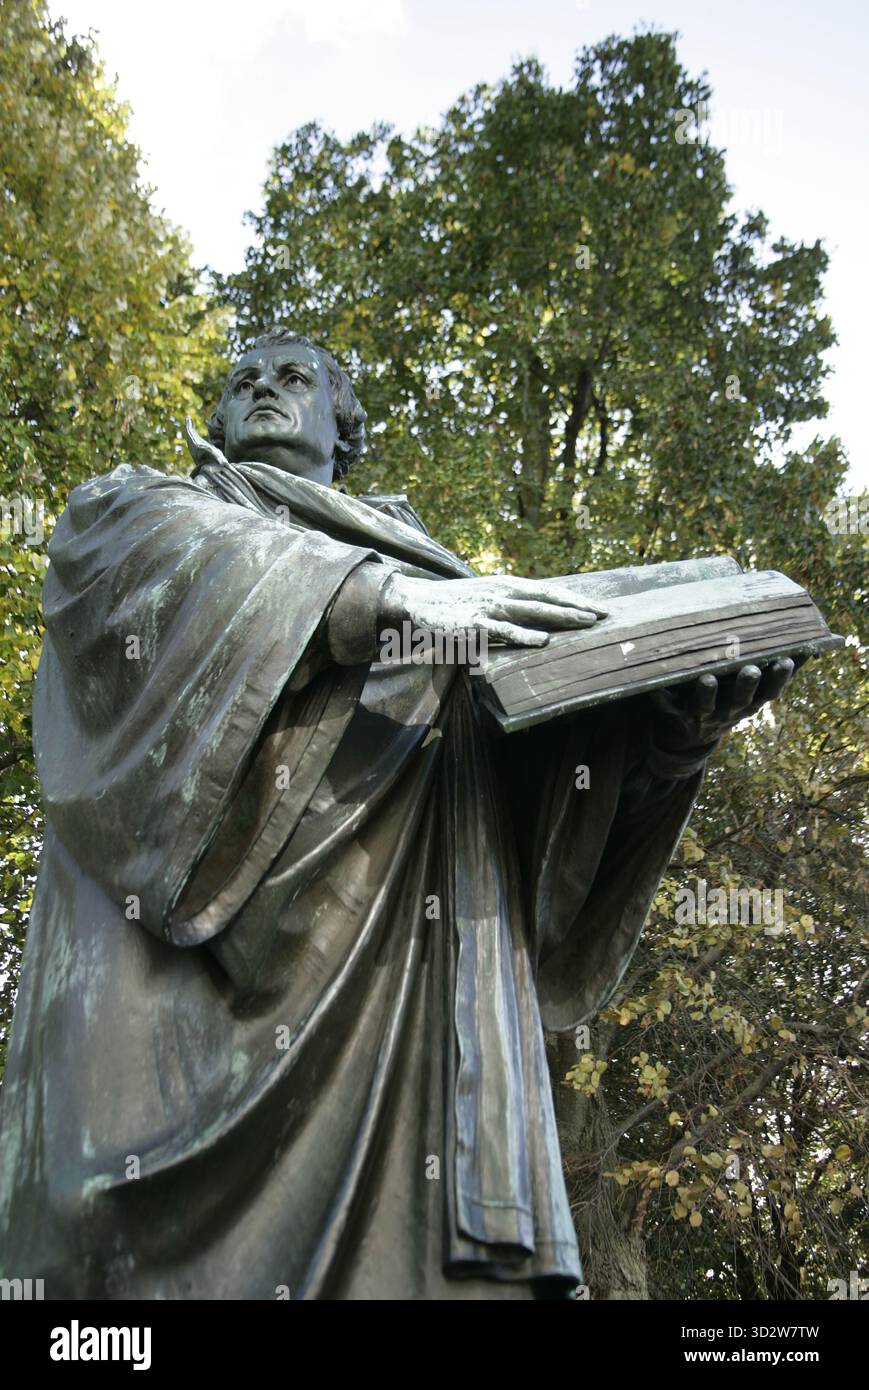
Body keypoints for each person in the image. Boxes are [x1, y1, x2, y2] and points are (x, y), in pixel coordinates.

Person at [0, 328, 795, 1299]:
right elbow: (127, 552)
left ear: (345, 425)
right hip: (176, 1002)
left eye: (294, 379)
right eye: (244, 380)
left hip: (415, 984)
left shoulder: (443, 569)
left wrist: (671, 744)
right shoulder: (146, 506)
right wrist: (385, 603)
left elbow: (527, 822)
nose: (262, 390)